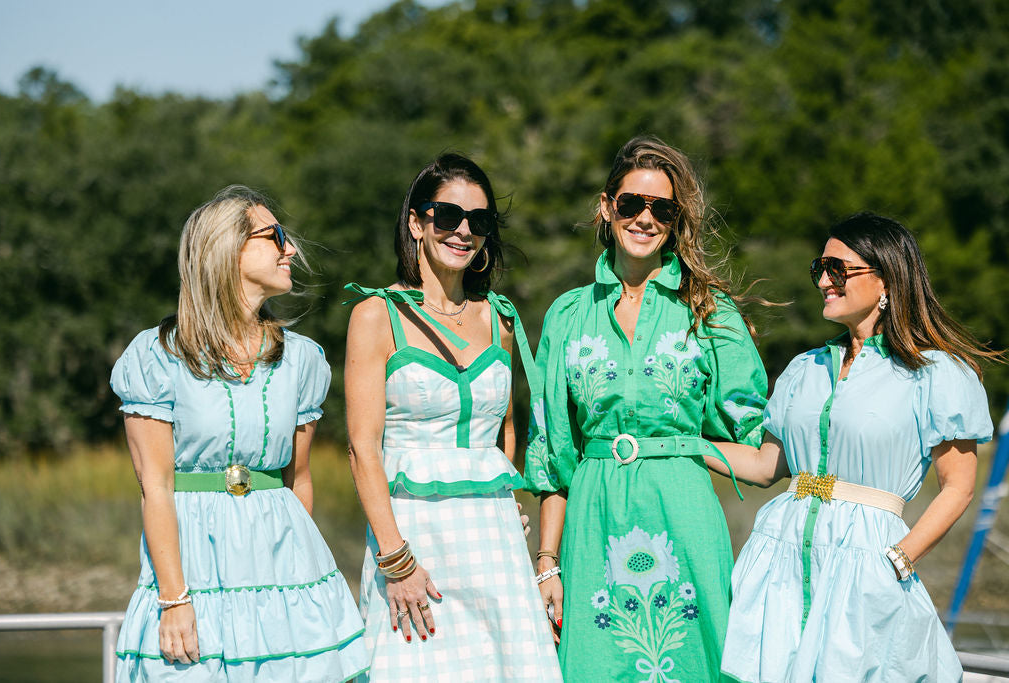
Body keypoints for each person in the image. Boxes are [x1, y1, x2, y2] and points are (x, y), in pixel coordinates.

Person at [524, 135, 769, 681]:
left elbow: (755, 432)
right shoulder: (567, 314)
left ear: (676, 219)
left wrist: (687, 446)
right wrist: (547, 564)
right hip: (594, 515)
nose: (645, 219)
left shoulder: (711, 311)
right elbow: (552, 454)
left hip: (684, 511)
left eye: (663, 208)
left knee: (694, 663)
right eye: (632, 203)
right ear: (607, 207)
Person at [712, 212, 997, 682]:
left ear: (886, 278)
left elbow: (958, 487)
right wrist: (679, 442)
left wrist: (899, 560)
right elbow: (767, 467)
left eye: (838, 269)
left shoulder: (938, 373)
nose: (824, 279)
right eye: (818, 268)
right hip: (778, 557)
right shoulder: (804, 368)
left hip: (868, 565)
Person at [111, 186, 369, 681]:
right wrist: (174, 600)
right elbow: (156, 489)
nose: (289, 249)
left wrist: (292, 588)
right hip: (193, 578)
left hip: (288, 580)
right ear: (226, 250)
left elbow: (299, 483)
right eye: (275, 236)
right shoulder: (156, 357)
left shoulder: (303, 361)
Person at [344, 153, 561, 681]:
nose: (463, 231)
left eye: (479, 221)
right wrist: (396, 561)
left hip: (493, 540)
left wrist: (508, 504)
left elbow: (506, 429)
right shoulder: (377, 316)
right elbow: (362, 449)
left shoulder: (502, 320)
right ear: (417, 223)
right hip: (413, 540)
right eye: (447, 216)